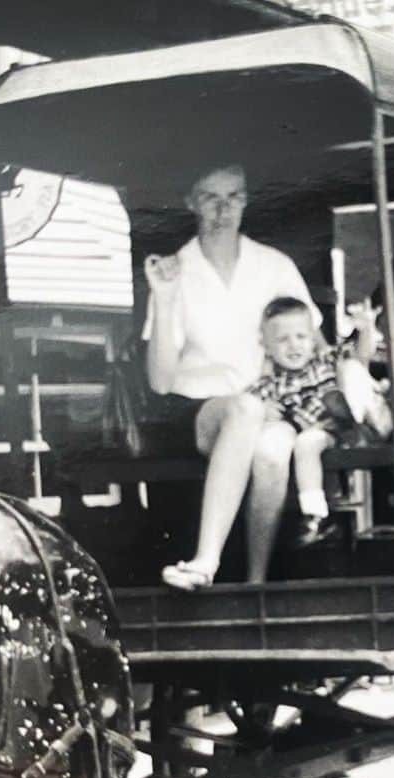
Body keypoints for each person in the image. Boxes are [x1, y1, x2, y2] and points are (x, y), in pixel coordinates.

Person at [143, 163, 323, 590]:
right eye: (210, 198)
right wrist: (165, 300)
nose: (223, 210)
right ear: (191, 203)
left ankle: (255, 584)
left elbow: (312, 347)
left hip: (267, 405)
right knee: (244, 409)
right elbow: (160, 382)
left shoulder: (274, 266)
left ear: (246, 200)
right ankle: (206, 562)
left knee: (274, 450)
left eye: (234, 197)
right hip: (197, 411)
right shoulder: (175, 271)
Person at [247, 296, 394, 547]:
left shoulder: (324, 360)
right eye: (282, 340)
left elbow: (360, 354)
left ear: (312, 338)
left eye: (301, 337)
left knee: (351, 369)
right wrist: (263, 411)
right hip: (321, 434)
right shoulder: (270, 385)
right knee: (306, 442)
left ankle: (370, 415)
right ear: (267, 346)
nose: (294, 346)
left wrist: (366, 327)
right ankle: (315, 515)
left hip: (348, 427)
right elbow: (252, 406)